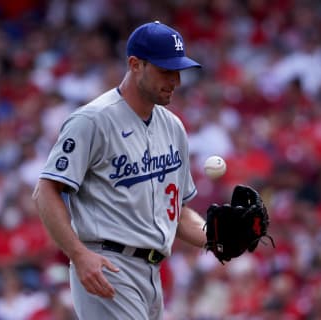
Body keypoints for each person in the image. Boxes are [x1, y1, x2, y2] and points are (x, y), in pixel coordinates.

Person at [32, 21, 207, 320]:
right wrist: (78, 254)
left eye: (178, 71)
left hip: (153, 273)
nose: (175, 80)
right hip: (108, 265)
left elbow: (176, 212)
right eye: (165, 70)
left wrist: (218, 236)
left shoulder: (173, 126)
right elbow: (45, 192)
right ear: (135, 64)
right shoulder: (92, 120)